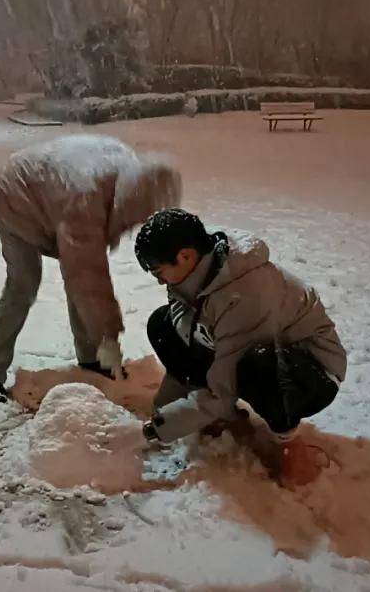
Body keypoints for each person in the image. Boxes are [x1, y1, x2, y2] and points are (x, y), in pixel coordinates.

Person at [133, 208, 346, 485]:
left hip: (309, 371)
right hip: (250, 348)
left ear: (185, 255)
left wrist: (154, 430)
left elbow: (224, 390)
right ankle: (217, 416)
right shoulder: (197, 270)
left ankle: (291, 445)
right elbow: (185, 330)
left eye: (158, 272)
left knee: (259, 366)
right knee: (163, 325)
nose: (159, 280)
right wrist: (166, 408)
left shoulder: (244, 294)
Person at [0, 135, 181, 406]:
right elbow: (86, 276)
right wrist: (108, 336)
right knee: (23, 284)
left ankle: (90, 361)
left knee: (81, 276)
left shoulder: (136, 177)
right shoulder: (85, 199)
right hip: (16, 193)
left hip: (51, 188)